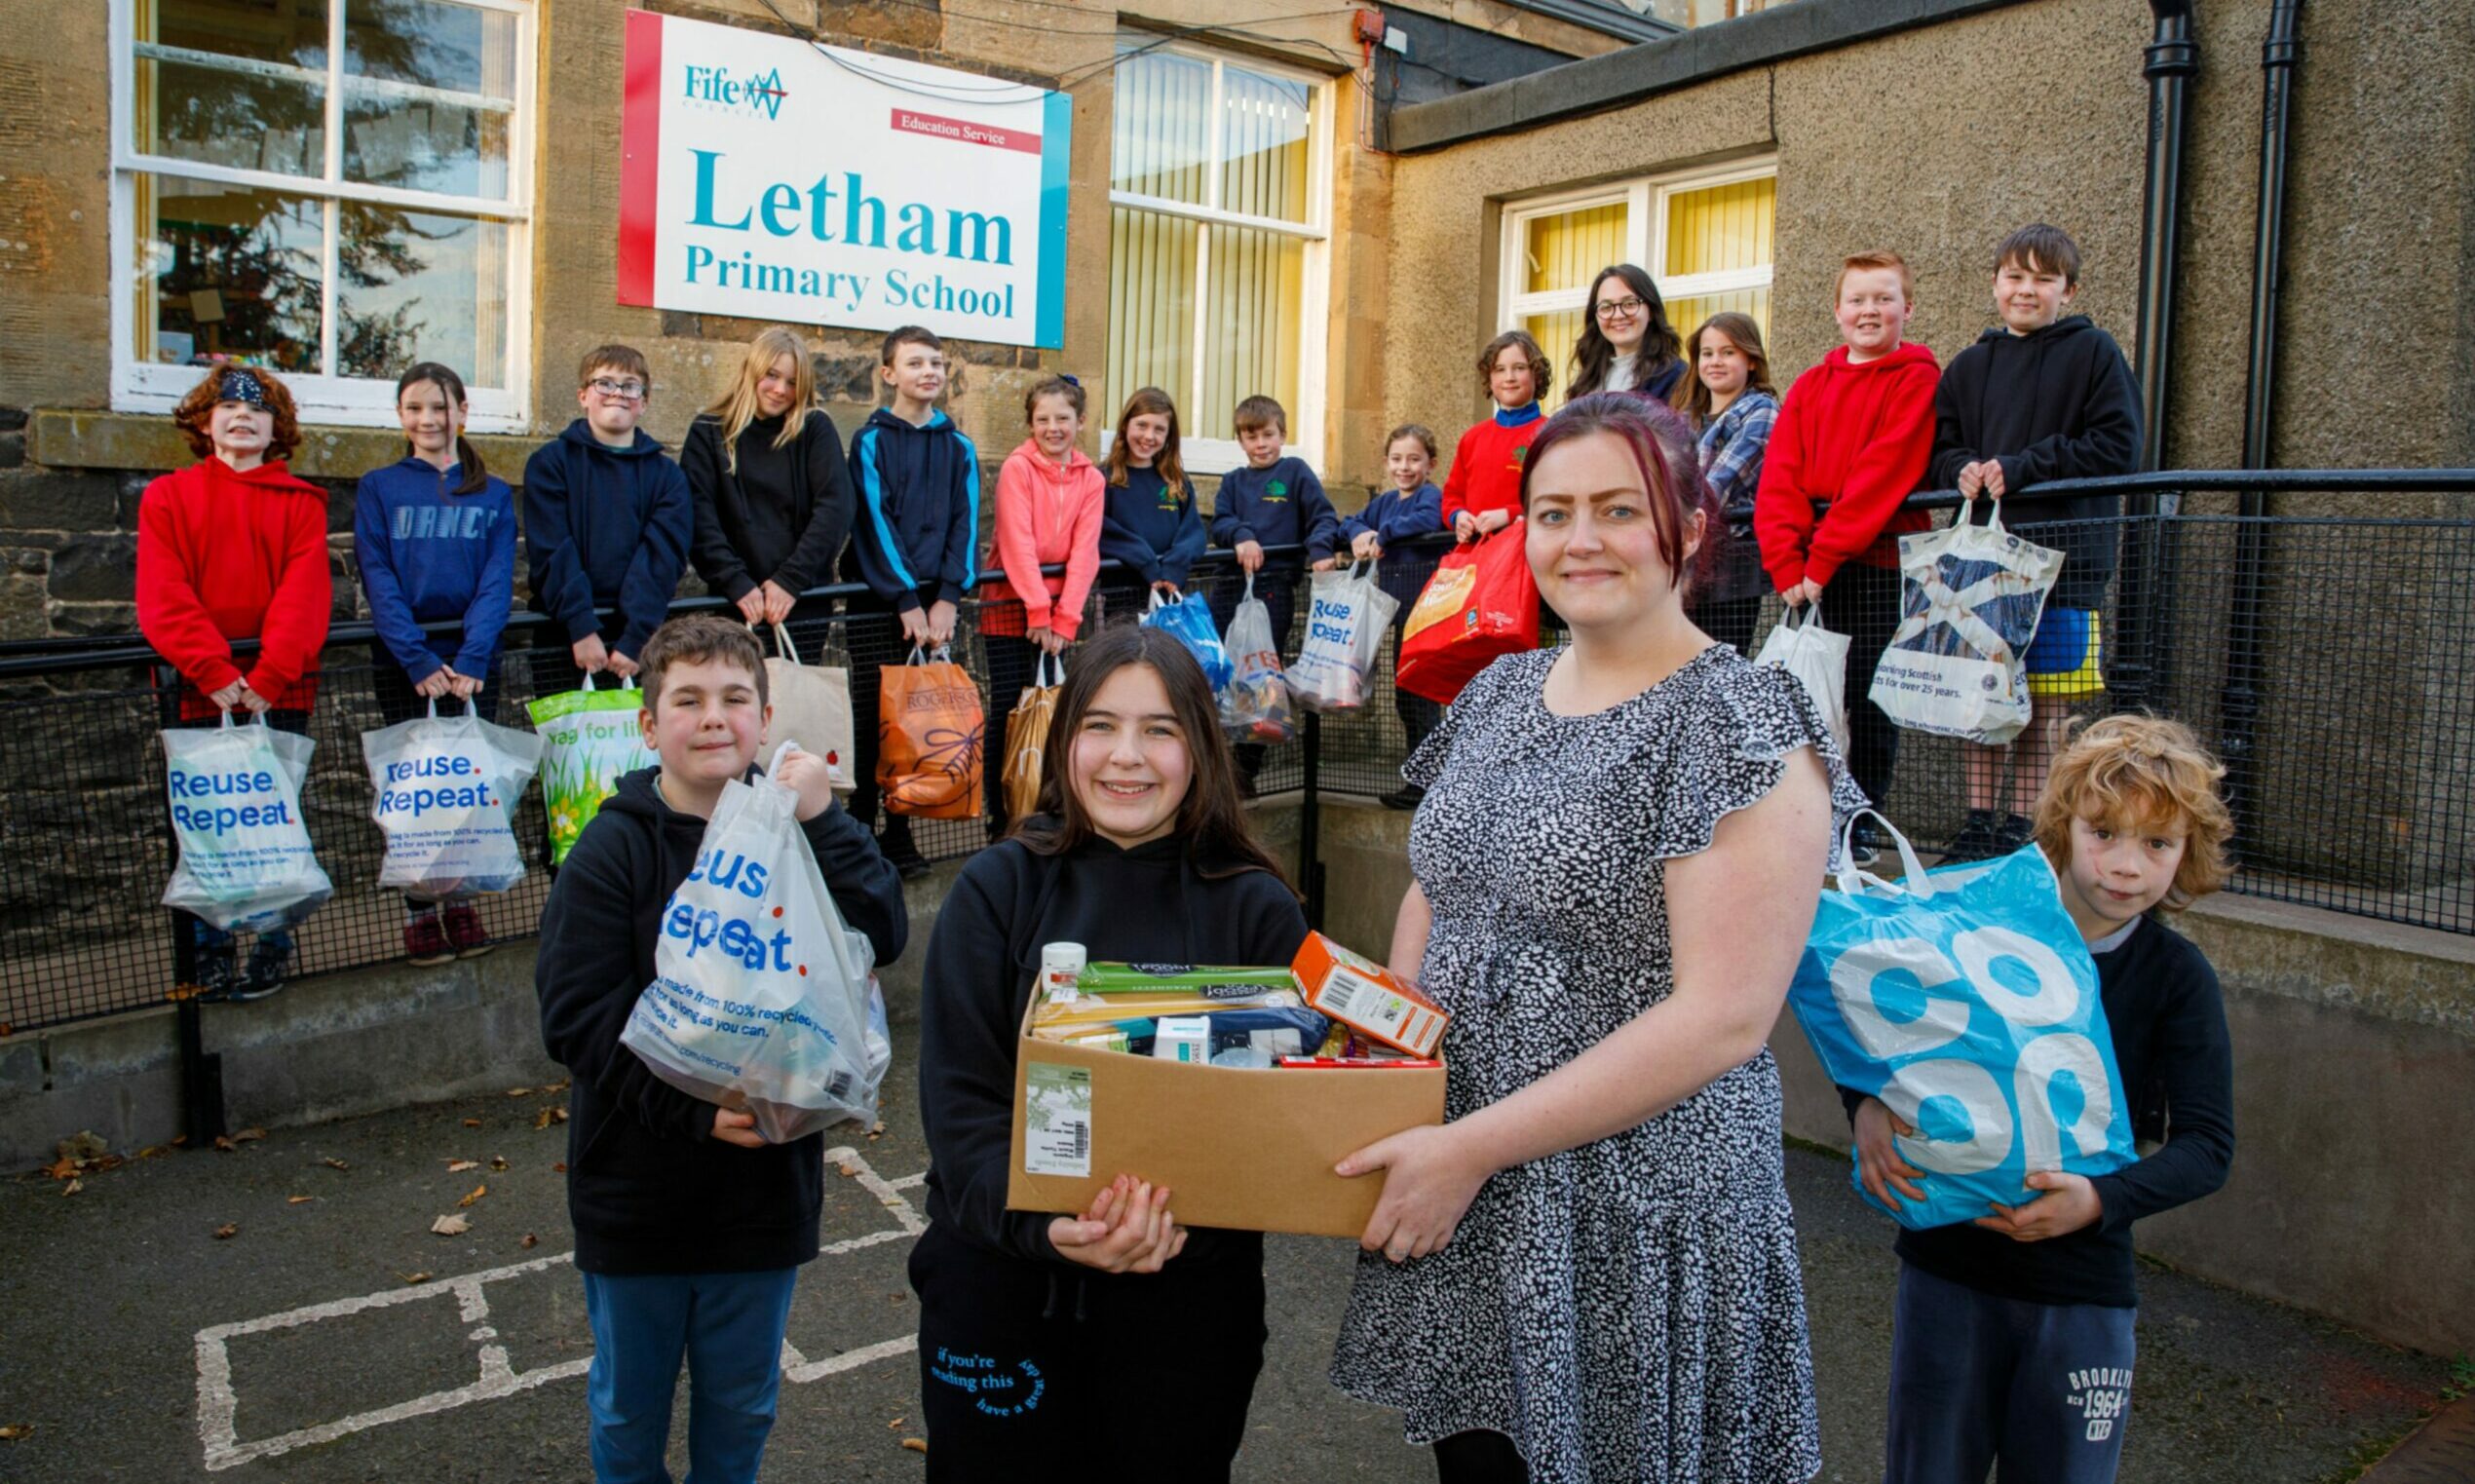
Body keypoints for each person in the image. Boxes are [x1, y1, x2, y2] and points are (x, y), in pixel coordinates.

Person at [1329, 394, 1862, 1484]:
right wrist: (1377, 1049)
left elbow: (1721, 1017)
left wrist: (1463, 1147)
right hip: (1468, 1179)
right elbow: (1439, 884)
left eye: (1619, 509)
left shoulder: (1741, 719)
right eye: (1553, 510)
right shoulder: (1499, 689)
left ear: (1689, 527)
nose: (1581, 540)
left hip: (1624, 1211)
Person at [909, 623, 1310, 1481]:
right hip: (1001, 1299)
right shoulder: (996, 890)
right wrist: (1045, 1227)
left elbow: (1278, 1125)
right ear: (1065, 741)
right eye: (1100, 724)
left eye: (1159, 729)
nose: (1127, 756)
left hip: (1188, 1315)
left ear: (1200, 747)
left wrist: (1183, 1217)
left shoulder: (1260, 911)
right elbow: (960, 1111)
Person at [535, 614, 906, 1484]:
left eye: (736, 698)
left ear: (766, 718)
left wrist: (822, 817)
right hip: (636, 1197)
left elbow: (882, 926)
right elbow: (577, 1016)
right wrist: (692, 1110)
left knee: (742, 1403)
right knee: (630, 1408)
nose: (713, 717)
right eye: (688, 698)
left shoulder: (795, 826)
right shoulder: (611, 849)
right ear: (647, 723)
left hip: (761, 1197)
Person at [1852, 713, 2234, 1484]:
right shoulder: (1974, 924)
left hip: (2082, 1287)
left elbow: (2208, 1144)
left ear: (2187, 852)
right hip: (1947, 1268)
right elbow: (1869, 1012)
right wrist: (1863, 1102)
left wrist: (2097, 1200)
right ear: (2062, 825)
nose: (2127, 865)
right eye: (2104, 832)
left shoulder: (2177, 976)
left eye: (2157, 843)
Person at [1928, 224, 2144, 862]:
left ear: (2067, 290)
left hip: (2064, 568)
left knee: (2046, 707)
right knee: (1983, 699)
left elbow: (2117, 446)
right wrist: (1960, 469)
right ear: (1995, 285)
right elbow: (1938, 451)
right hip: (1984, 571)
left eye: (2043, 279)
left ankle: (2023, 826)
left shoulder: (2096, 353)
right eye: (2015, 277)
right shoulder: (1969, 366)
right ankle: (1976, 826)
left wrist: (2022, 467)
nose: (2027, 290)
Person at [136, 363, 333, 1000]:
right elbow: (163, 593)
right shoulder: (167, 496)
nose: (242, 415)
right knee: (204, 828)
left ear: (277, 428)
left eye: (258, 409)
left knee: (276, 824)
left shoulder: (302, 504)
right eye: (227, 406)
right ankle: (209, 953)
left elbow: (304, 597)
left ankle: (273, 946)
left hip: (279, 692)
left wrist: (270, 674)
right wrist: (214, 671)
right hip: (197, 691)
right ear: (204, 420)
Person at [1753, 250, 1940, 860]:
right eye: (1857, 299)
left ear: (1906, 308)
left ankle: (1861, 819)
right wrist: (1787, 564)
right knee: (1807, 697)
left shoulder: (1917, 378)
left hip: (1878, 565)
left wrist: (1819, 562)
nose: (1869, 310)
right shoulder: (1810, 385)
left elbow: (1881, 476)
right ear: (1837, 311)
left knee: (1867, 699)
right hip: (1808, 571)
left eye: (1883, 298)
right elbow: (1780, 477)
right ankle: (1806, 812)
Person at [353, 361, 519, 965]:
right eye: (415, 408)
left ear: (463, 412)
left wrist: (474, 653)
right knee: (415, 791)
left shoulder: (493, 493)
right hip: (406, 661)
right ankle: (420, 909)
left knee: (467, 787)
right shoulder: (379, 487)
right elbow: (379, 578)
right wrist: (416, 657)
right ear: (401, 415)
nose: (428, 419)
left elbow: (498, 580)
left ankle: (462, 903)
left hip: (474, 662)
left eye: (440, 407)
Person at [843, 324, 981, 879]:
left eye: (937, 364)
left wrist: (947, 596)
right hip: (882, 602)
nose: (929, 373)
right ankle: (859, 830)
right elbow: (873, 522)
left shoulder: (960, 446)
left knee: (917, 721)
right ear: (889, 373)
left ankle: (900, 830)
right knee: (871, 718)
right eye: (916, 363)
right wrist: (904, 598)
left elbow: (965, 524)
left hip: (936, 605)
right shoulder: (870, 440)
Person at [520, 344, 694, 698]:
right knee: (567, 754)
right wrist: (581, 627)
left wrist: (637, 639)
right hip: (565, 635)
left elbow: (663, 557)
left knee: (642, 751)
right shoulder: (549, 464)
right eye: (605, 383)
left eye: (630, 386)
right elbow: (552, 550)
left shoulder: (667, 476)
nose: (617, 393)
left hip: (637, 642)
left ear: (643, 402)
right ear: (584, 396)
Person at [983, 374, 1104, 832]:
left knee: (1054, 709)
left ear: (1081, 421)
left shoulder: (1091, 478)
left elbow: (1085, 551)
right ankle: (1003, 814)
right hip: (1010, 606)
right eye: (1042, 419)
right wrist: (1038, 610)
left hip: (1059, 616)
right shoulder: (1017, 469)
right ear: (1030, 423)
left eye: (1063, 418)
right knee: (1009, 710)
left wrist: (1065, 619)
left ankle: (1045, 804)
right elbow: (1018, 543)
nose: (1053, 428)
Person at [1207, 394, 1341, 791]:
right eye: (1251, 436)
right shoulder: (1232, 481)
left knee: (1262, 678)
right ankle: (1212, 764)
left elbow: (1323, 516)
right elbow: (1221, 523)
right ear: (1240, 440)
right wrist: (1243, 536)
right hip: (1230, 587)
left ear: (1283, 435)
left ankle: (1245, 771)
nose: (1260, 444)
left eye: (1268, 434)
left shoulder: (1296, 472)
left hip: (1273, 589)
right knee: (1218, 673)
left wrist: (1320, 551)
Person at [682, 325, 856, 631]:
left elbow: (835, 509)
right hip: (733, 603)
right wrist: (735, 582)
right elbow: (698, 517)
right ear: (752, 371)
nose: (780, 390)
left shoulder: (814, 428)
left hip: (802, 600)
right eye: (772, 375)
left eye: (792, 382)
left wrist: (789, 580)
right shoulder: (709, 430)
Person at [1341, 423, 1448, 809]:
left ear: (1430, 464)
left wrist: (1381, 536)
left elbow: (1426, 522)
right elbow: (1349, 522)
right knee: (1404, 697)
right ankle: (1419, 779)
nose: (1405, 467)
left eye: (1414, 459)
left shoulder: (1430, 496)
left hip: (1423, 613)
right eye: (1397, 459)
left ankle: (1429, 784)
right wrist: (1359, 534)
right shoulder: (1384, 501)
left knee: (1419, 697)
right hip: (1395, 610)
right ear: (1386, 462)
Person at [1671, 312, 1781, 658]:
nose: (1715, 362)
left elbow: (1716, 485)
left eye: (1728, 352)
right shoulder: (1683, 416)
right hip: (1682, 564)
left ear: (1751, 360)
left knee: (1715, 671)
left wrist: (1663, 511)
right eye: (1707, 353)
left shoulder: (1760, 411)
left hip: (1731, 570)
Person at [1095, 386, 1206, 618]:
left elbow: (1194, 532)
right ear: (1126, 425)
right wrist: (1145, 561)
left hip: (1168, 595)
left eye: (1159, 429)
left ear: (1168, 436)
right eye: (1142, 425)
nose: (1149, 436)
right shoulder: (1102, 478)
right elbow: (1099, 530)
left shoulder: (1177, 480)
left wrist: (1175, 565)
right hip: (1120, 598)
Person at [1441, 330, 1550, 545]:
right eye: (1499, 370)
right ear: (1490, 380)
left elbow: (1560, 498)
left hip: (1527, 551)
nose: (1509, 378)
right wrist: (1458, 517)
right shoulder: (1472, 438)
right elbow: (1452, 495)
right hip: (1476, 552)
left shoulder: (1550, 434)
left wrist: (1508, 515)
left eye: (1519, 368)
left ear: (1536, 375)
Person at [1565, 263, 1687, 402]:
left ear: (1651, 311)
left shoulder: (1674, 376)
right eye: (1606, 307)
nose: (1618, 315)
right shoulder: (1588, 379)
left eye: (1629, 304)